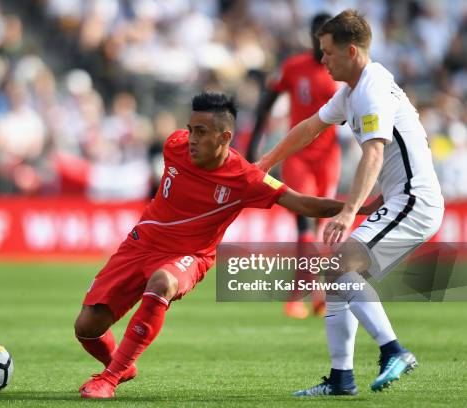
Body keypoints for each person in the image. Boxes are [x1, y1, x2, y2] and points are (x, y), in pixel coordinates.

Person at [75, 92, 363, 399]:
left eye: (200, 132)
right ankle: (121, 364)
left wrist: (362, 205)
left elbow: (305, 204)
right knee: (86, 327)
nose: (191, 139)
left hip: (190, 255)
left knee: (162, 282)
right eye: (190, 129)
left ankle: (111, 376)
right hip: (139, 244)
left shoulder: (246, 178)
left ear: (225, 137)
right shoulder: (174, 145)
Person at [258, 10, 444, 396]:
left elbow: (373, 154)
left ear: (352, 51)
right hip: (399, 199)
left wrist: (346, 211)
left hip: (414, 201)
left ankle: (394, 350)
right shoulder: (352, 91)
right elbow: (309, 128)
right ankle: (341, 379)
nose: (321, 59)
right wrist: (264, 163)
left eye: (327, 52)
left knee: (339, 266)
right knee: (338, 277)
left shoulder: (372, 89)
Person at [247, 12, 337, 319]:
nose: (319, 40)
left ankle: (316, 295)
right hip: (298, 155)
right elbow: (266, 103)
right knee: (304, 219)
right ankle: (300, 296)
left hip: (329, 158)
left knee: (324, 224)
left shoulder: (338, 70)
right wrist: (252, 146)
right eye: (316, 34)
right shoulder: (293, 67)